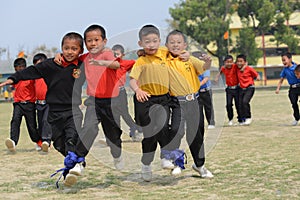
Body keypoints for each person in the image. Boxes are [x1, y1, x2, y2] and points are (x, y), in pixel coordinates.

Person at [0, 32, 86, 187]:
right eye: (66, 48)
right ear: (61, 48)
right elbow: (30, 71)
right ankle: (74, 164)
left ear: (80, 51)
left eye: (74, 49)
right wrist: (13, 79)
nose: (70, 52)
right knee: (59, 144)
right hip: (53, 112)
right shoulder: (51, 65)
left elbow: (98, 57)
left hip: (73, 111)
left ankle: (77, 164)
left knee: (71, 138)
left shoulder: (82, 64)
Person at [70, 24, 124, 171]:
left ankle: (117, 155)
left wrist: (101, 62)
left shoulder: (107, 54)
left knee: (112, 136)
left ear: (104, 41)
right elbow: (70, 58)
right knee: (89, 128)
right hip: (93, 101)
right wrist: (59, 56)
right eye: (89, 41)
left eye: (96, 40)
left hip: (111, 102)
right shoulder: (85, 58)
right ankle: (78, 161)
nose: (93, 43)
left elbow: (116, 65)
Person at [164, 30, 214, 177]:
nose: (175, 45)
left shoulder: (190, 59)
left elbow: (205, 68)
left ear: (185, 44)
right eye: (172, 42)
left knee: (196, 135)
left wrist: (208, 60)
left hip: (194, 101)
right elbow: (151, 51)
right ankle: (177, 162)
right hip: (177, 103)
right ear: (166, 45)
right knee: (175, 131)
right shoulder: (164, 59)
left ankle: (199, 165)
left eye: (179, 42)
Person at [129, 24, 173, 182]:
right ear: (140, 43)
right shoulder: (141, 61)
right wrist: (138, 90)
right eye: (147, 42)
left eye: (155, 41)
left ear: (160, 41)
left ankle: (165, 157)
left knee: (163, 127)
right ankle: (146, 165)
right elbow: (132, 80)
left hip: (163, 99)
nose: (151, 45)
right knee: (150, 134)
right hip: (145, 99)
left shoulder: (165, 53)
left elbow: (179, 51)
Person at [4, 57, 42, 152]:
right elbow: (11, 86)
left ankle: (38, 142)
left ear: (25, 67)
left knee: (32, 126)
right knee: (15, 121)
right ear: (15, 68)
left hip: (29, 104)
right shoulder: (15, 77)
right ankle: (13, 142)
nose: (19, 69)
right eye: (17, 67)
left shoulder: (31, 77)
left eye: (21, 67)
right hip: (18, 104)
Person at [111, 44, 143, 141]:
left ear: (122, 55)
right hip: (110, 94)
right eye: (113, 54)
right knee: (114, 115)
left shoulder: (125, 63)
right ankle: (115, 137)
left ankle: (135, 127)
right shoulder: (109, 64)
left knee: (124, 113)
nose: (115, 56)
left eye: (117, 54)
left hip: (121, 93)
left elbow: (138, 63)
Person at [33, 53, 52, 152]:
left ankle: (47, 141)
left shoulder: (50, 74)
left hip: (48, 102)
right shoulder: (34, 76)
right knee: (40, 123)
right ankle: (40, 142)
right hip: (38, 103)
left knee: (46, 121)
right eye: (36, 64)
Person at [215, 55, 240, 126]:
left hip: (237, 88)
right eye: (227, 62)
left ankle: (240, 119)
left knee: (238, 104)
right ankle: (230, 119)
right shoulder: (223, 68)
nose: (229, 64)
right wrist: (217, 77)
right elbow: (220, 72)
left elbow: (243, 65)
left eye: (230, 62)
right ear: (224, 62)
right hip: (229, 89)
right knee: (228, 104)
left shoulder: (235, 66)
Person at [275, 52, 300, 126]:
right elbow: (281, 80)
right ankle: (296, 118)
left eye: (284, 60)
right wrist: (278, 89)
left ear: (290, 59)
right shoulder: (285, 70)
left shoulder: (296, 67)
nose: (283, 62)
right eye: (282, 60)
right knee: (294, 103)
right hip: (292, 88)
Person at [236, 54, 260, 125]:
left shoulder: (249, 69)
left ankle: (248, 117)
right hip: (241, 88)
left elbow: (257, 75)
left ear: (245, 62)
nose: (239, 63)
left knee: (245, 102)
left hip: (250, 88)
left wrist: (258, 78)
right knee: (240, 104)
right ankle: (243, 119)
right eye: (238, 61)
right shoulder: (236, 68)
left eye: (241, 61)